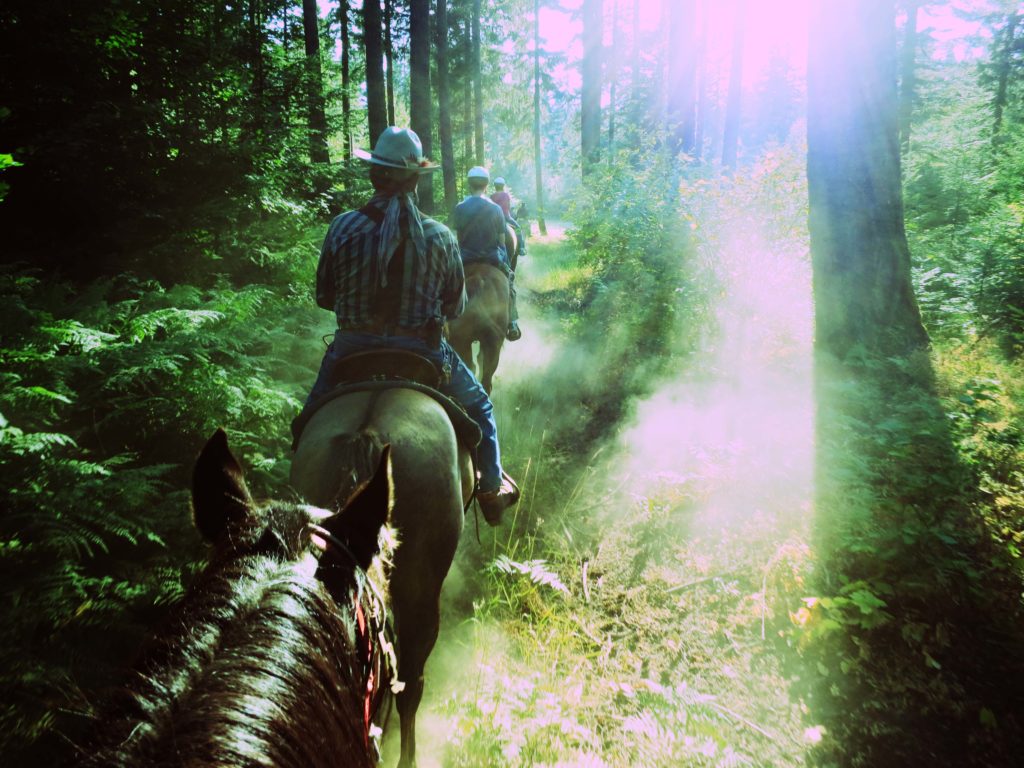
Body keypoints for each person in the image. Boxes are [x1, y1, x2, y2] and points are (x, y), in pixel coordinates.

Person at [299, 127, 519, 524]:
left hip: (351, 350)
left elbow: (324, 297)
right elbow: (454, 308)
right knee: (481, 407)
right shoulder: (438, 236)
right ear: (416, 179)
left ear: (373, 175)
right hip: (421, 351)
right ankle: (489, 488)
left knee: (304, 423)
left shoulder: (342, 227)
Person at [452, 167, 522, 341]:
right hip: (492, 258)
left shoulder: (460, 207)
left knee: (447, 283)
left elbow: (459, 239)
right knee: (509, 281)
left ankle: (443, 321)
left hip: (465, 258)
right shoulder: (496, 209)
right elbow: (500, 241)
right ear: (486, 185)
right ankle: (512, 322)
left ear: (469, 184)